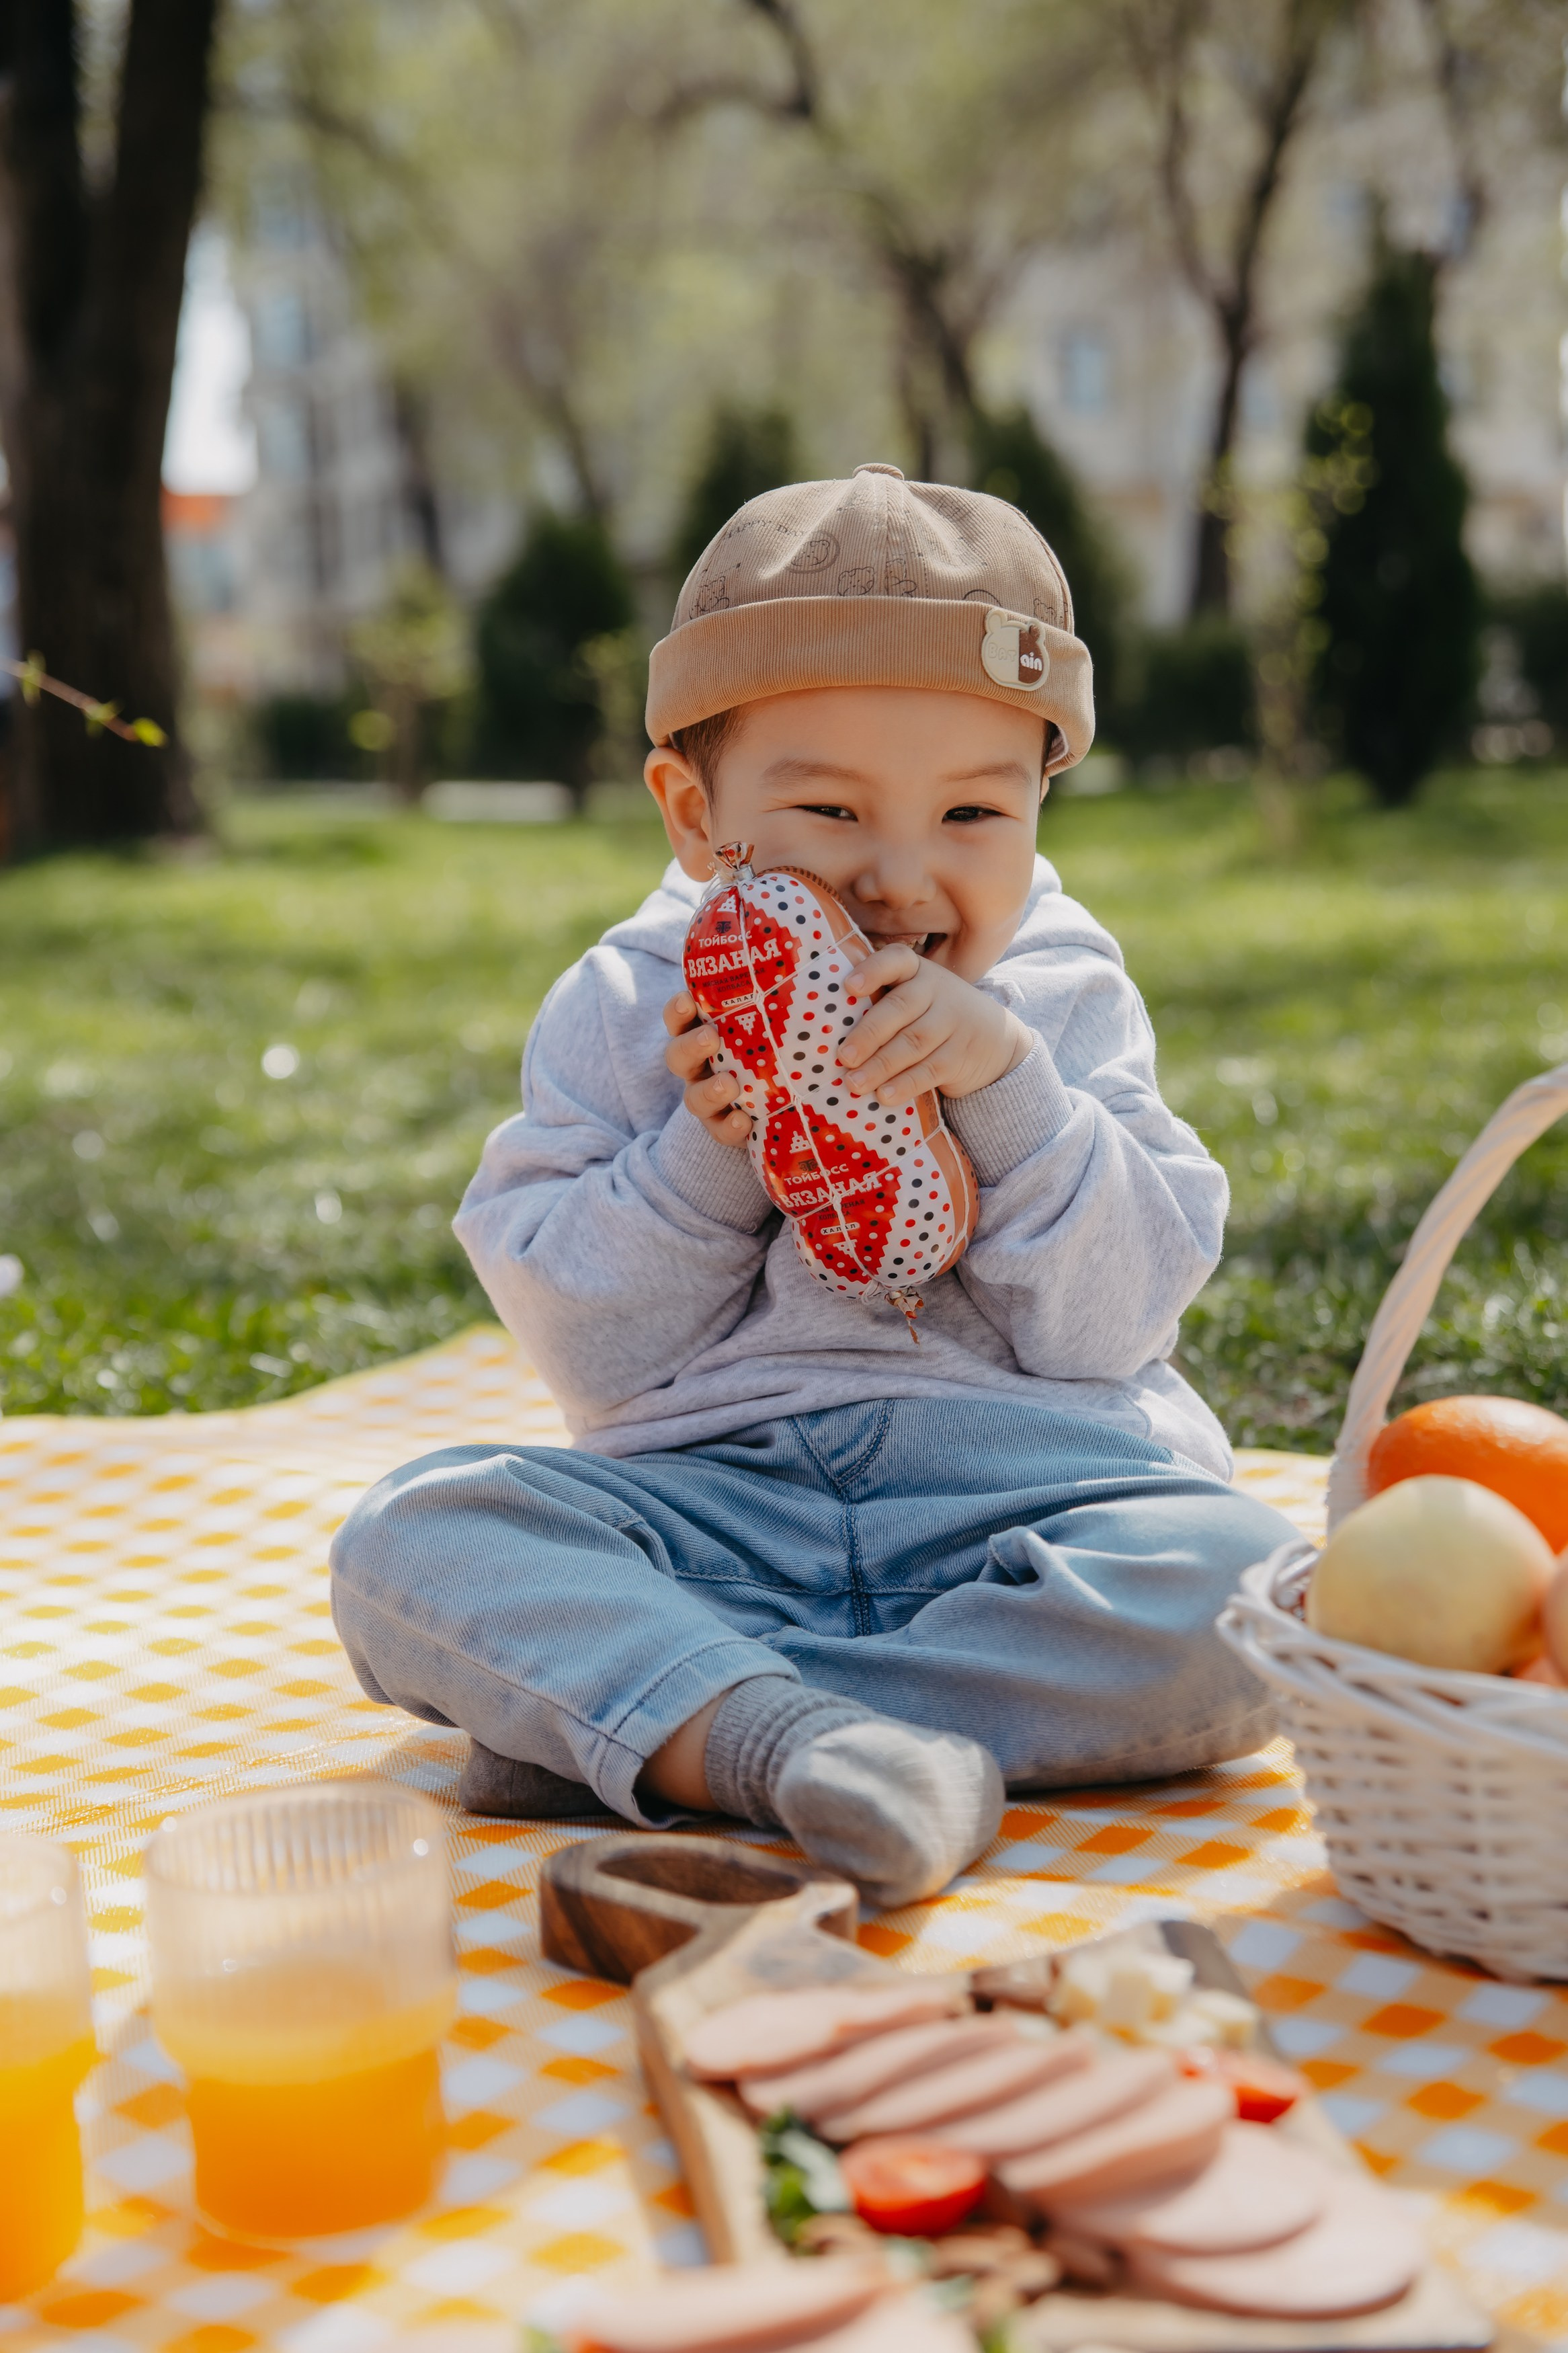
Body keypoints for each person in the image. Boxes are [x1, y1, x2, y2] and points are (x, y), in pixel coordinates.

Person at [330, 465, 1298, 1909]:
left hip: (1030, 1505)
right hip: (716, 1510)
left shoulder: (1064, 988)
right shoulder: (624, 999)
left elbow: (1116, 1324)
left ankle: (681, 1724)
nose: (904, 879)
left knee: (1247, 1591)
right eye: (832, 813)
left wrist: (1016, 1090)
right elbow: (591, 1351)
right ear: (691, 810)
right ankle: (765, 1724)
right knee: (407, 1540)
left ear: (1044, 798)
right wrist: (710, 1152)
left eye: (974, 814)